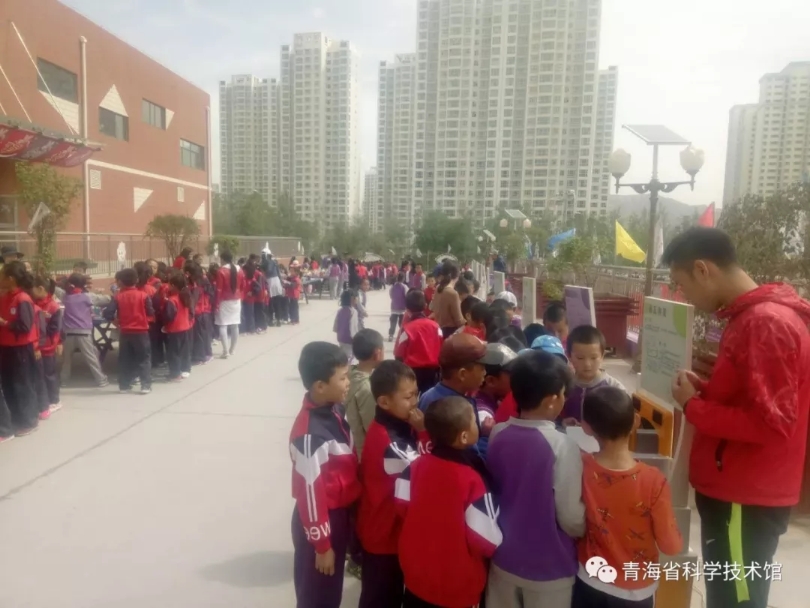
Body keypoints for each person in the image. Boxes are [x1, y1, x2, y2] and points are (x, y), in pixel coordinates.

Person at [663, 227, 810, 608]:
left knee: (736, 600)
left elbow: (773, 424)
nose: (685, 295)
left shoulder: (766, 323)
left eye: (682, 284)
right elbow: (754, 398)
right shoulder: (751, 318)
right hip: (738, 492)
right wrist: (706, 389)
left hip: (744, 499)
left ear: (702, 269)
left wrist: (693, 407)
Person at [486, 350, 584, 608]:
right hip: (549, 567)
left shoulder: (498, 433)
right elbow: (571, 517)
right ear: (552, 400)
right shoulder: (562, 446)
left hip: (503, 558)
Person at [573, 386, 682, 608]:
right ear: (636, 421)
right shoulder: (654, 480)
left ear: (586, 427)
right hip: (636, 591)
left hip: (589, 581)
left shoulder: (580, 466)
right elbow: (670, 546)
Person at [396, 395, 502, 608]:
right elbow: (486, 540)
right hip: (456, 586)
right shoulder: (473, 480)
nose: (477, 424)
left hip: (416, 575)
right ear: (464, 436)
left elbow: (401, 508)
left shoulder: (414, 466)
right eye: (474, 421)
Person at [289, 342, 360, 608]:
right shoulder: (310, 436)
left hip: (338, 515)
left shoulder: (334, 409)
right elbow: (310, 493)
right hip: (321, 521)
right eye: (342, 378)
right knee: (317, 598)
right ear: (320, 386)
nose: (348, 383)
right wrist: (321, 545)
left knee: (330, 593)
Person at [357, 360, 422, 608]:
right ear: (384, 402)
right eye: (408, 397)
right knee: (381, 600)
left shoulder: (391, 425)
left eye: (416, 394)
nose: (415, 402)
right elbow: (428, 474)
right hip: (384, 538)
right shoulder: (392, 444)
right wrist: (425, 432)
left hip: (385, 532)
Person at [0, 261, 39, 439]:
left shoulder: (23, 299)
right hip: (6, 347)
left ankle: (29, 421)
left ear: (10, 278)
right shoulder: (5, 297)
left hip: (21, 348)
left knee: (23, 385)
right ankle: (17, 418)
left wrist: (5, 323)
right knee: (9, 384)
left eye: (2, 276)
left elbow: (25, 325)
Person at [562, 325, 626, 426]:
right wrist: (562, 422)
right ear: (569, 356)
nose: (587, 364)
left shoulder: (615, 388)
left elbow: (622, 422)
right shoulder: (563, 387)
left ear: (602, 356)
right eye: (580, 358)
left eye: (593, 358)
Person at [104, 268, 153, 395]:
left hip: (125, 331)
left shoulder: (118, 297)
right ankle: (145, 385)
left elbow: (108, 313)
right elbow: (150, 312)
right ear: (136, 280)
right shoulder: (143, 295)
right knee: (144, 358)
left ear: (120, 282)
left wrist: (116, 322)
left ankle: (124, 385)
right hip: (141, 331)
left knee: (125, 358)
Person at [59, 273, 109, 388]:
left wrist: (63, 282)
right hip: (84, 333)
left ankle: (64, 381)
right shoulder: (88, 296)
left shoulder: (65, 296)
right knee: (91, 357)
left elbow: (55, 289)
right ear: (83, 284)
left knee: (66, 359)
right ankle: (100, 380)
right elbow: (106, 299)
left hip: (68, 332)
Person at [395, 290, 443, 395]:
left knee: (412, 398)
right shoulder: (436, 327)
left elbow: (399, 355)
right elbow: (442, 347)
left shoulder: (407, 329)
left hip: (412, 372)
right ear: (425, 305)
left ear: (407, 309)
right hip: (432, 371)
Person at [345, 328, 385, 458]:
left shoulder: (347, 375)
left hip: (350, 444)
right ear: (377, 354)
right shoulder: (367, 389)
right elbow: (371, 426)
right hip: (362, 452)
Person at [474, 343, 517, 451]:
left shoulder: (495, 401)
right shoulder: (484, 416)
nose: (518, 378)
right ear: (491, 381)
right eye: (513, 374)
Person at [33, 277, 63, 415]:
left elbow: (56, 328)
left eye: (32, 289)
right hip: (37, 346)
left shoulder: (53, 306)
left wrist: (59, 342)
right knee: (39, 375)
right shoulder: (34, 303)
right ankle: (43, 400)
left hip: (47, 346)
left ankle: (54, 400)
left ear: (40, 289)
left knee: (49, 374)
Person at [163, 271, 193, 382]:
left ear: (174, 286)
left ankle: (175, 373)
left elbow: (169, 316)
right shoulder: (185, 297)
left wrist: (165, 325)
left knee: (173, 352)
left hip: (174, 329)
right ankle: (186, 369)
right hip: (185, 327)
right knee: (184, 350)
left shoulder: (172, 300)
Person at [215, 250, 245, 359]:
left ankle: (225, 351)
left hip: (224, 300)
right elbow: (243, 285)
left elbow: (219, 289)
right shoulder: (239, 269)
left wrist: (216, 303)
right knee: (235, 325)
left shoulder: (221, 271)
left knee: (223, 325)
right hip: (236, 300)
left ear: (223, 259)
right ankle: (232, 349)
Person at [187, 262, 214, 365]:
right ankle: (205, 354)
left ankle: (200, 356)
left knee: (199, 335)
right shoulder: (202, 280)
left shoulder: (197, 284)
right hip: (204, 310)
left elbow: (194, 299)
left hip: (200, 311)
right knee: (203, 334)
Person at [430, 261, 465, 338]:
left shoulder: (438, 288)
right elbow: (459, 321)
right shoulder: (452, 293)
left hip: (439, 330)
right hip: (450, 333)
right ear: (457, 275)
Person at [334, 289, 359, 359]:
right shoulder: (353, 312)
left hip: (340, 338)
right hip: (349, 339)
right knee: (349, 358)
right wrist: (355, 338)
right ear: (352, 299)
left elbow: (335, 326)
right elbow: (353, 327)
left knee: (343, 355)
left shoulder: (340, 310)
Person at [241, 260, 262, 335]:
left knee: (250, 314)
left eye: (244, 271)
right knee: (243, 315)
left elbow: (258, 288)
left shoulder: (252, 279)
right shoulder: (243, 278)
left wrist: (252, 292)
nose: (243, 272)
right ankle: (243, 329)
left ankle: (251, 329)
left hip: (250, 300)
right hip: (243, 299)